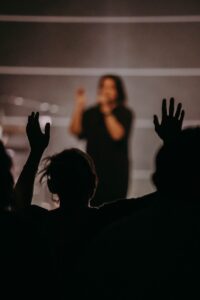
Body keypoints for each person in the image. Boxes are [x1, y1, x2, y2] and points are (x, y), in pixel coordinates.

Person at [69, 75, 133, 206]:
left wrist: (107, 111)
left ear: (118, 91)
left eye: (111, 87)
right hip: (93, 171)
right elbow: (75, 130)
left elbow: (117, 135)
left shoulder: (124, 112)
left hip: (116, 172)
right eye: (103, 86)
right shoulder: (92, 113)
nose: (106, 90)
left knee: (115, 209)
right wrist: (79, 106)